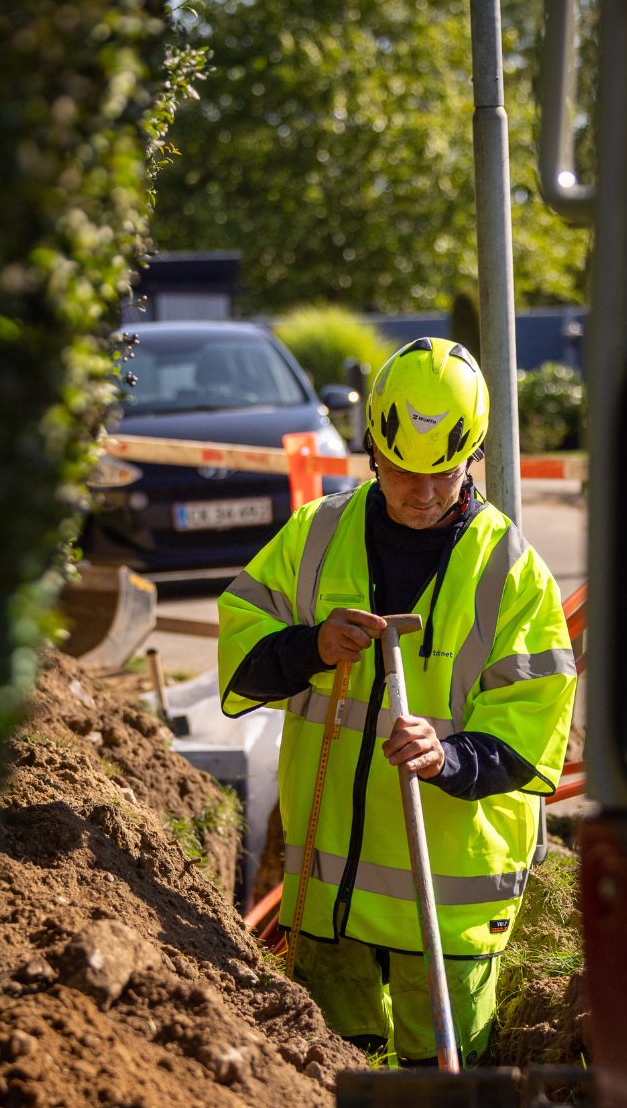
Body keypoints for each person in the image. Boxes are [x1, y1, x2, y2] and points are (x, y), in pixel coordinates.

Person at [217, 338, 577, 1063]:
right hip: (328, 889)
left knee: (443, 1084)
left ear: (471, 457)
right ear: (373, 453)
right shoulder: (315, 536)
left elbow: (533, 725)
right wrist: (309, 647)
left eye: (443, 473)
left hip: (448, 903)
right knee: (327, 1074)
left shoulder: (510, 571)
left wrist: (450, 756)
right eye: (403, 471)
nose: (423, 492)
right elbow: (241, 654)